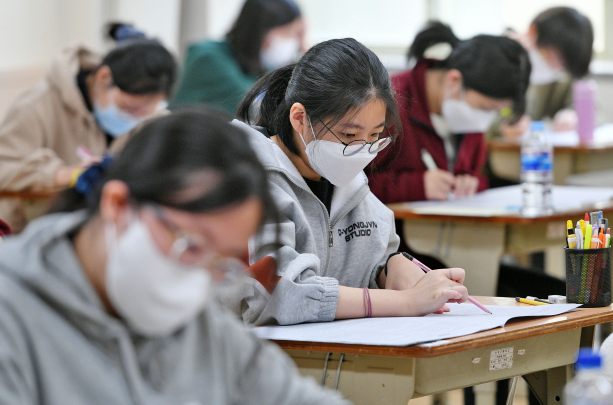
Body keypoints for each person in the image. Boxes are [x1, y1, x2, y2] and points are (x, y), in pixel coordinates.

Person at [0, 108, 348, 404]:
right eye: (191, 247)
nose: (199, 279)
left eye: (224, 264)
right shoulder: (13, 310)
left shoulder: (199, 326)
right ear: (118, 205)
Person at [228, 37, 470, 326]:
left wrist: (391, 268)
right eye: (348, 135)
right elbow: (275, 294)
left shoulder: (346, 180)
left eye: (375, 135)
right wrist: (405, 301)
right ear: (300, 118)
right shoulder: (246, 181)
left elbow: (376, 252)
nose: (361, 150)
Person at [0, 23, 177, 232]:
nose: (137, 118)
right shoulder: (37, 105)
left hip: (104, 231)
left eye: (147, 111)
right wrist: (66, 174)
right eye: (129, 108)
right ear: (104, 78)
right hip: (33, 233)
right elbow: (4, 167)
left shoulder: (152, 117)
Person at [366, 21, 531, 204]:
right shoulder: (388, 105)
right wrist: (416, 186)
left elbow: (479, 175)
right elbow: (347, 186)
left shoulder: (468, 121)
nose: (485, 120)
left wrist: (472, 183)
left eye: (497, 111)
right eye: (486, 108)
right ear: (454, 79)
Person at [172, 0, 306, 114]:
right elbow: (255, 106)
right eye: (289, 33)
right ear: (261, 31)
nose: (299, 44)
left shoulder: (259, 64)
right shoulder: (208, 57)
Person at [494, 7, 594, 139]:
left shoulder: (562, 74)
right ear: (532, 32)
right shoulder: (492, 61)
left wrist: (575, 115)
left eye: (563, 66)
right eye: (553, 58)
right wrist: (501, 127)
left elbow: (596, 111)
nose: (556, 68)